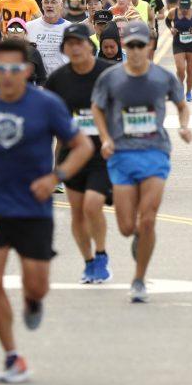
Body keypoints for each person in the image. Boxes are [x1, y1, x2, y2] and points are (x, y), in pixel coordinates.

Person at [0, 37, 94, 384]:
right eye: (2, 68)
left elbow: (82, 146)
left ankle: (33, 303)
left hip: (34, 208)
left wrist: (56, 176)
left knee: (37, 286)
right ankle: (12, 356)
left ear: (28, 71)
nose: (8, 75)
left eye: (16, 69)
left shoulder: (46, 105)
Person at [90, 20, 192, 303]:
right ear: (125, 47)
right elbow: (97, 108)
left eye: (141, 45)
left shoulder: (163, 77)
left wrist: (184, 126)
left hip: (155, 153)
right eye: (131, 46)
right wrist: (106, 138)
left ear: (150, 46)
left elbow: (182, 106)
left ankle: (139, 279)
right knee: (125, 227)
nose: (135, 51)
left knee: (148, 220)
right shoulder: (111, 78)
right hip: (122, 155)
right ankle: (137, 235)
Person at [44, 23, 116, 284]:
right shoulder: (58, 79)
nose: (74, 47)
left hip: (102, 154)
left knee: (92, 205)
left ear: (90, 45)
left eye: (79, 42)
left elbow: (122, 108)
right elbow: (46, 115)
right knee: (77, 211)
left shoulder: (108, 73)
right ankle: (88, 262)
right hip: (71, 154)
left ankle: (101, 254)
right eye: (69, 43)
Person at [25, 0, 68, 76]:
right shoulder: (28, 27)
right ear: (42, 5)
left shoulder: (69, 28)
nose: (49, 5)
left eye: (53, 2)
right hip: (37, 80)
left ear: (61, 5)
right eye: (46, 2)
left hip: (62, 79)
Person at [167, 0, 192, 102]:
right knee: (180, 70)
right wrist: (171, 28)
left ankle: (189, 92)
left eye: (187, 7)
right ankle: (180, 89)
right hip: (178, 43)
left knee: (190, 71)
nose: (185, 10)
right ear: (179, 5)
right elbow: (167, 22)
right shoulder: (173, 12)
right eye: (182, 8)